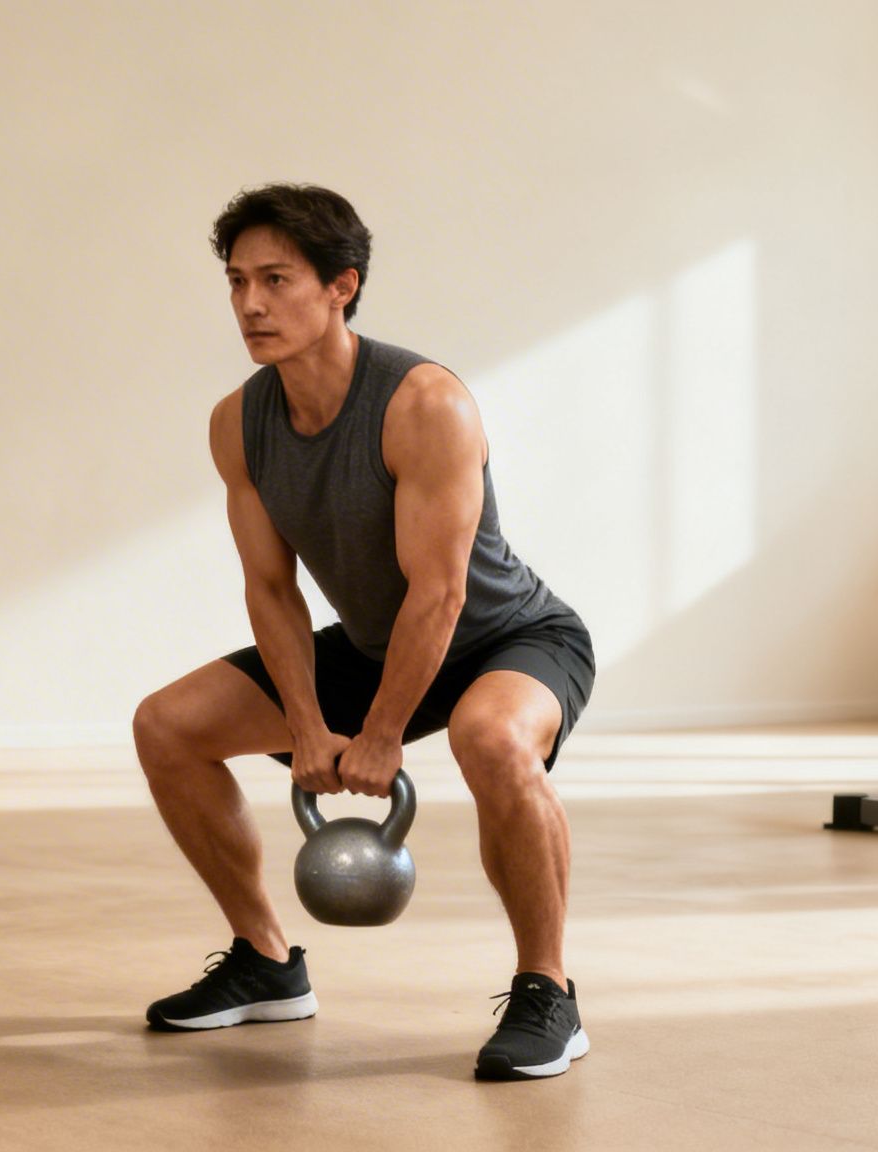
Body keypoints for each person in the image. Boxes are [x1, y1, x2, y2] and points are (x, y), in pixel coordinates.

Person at [134, 184, 596, 1081]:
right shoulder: (239, 421)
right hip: (384, 644)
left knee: (490, 737)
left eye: (277, 279)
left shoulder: (424, 403)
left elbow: (441, 592)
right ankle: (265, 962)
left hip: (509, 638)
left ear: (342, 286)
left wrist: (381, 735)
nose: (251, 305)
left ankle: (549, 992)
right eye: (236, 282)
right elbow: (271, 588)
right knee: (168, 726)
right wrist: (307, 726)